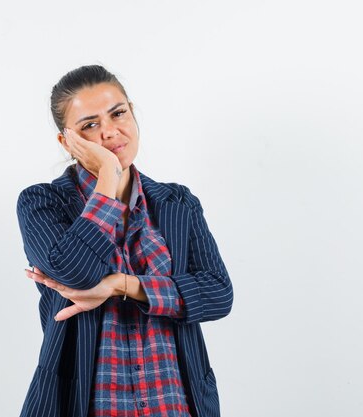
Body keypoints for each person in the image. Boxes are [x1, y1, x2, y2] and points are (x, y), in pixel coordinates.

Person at [16, 64, 233, 417]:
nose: (109, 132)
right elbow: (76, 274)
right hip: (84, 404)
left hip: (175, 403)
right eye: (89, 125)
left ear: (132, 113)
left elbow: (218, 293)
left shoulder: (177, 202)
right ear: (66, 141)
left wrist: (122, 284)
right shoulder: (42, 203)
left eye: (118, 113)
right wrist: (107, 177)